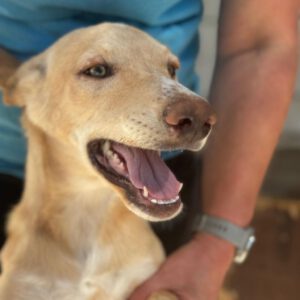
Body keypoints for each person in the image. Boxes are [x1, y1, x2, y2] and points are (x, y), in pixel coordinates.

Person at [0, 1, 299, 299]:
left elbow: (262, 41)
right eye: (99, 70)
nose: (185, 108)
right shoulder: (30, 86)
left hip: (170, 184)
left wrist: (217, 240)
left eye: (170, 70)